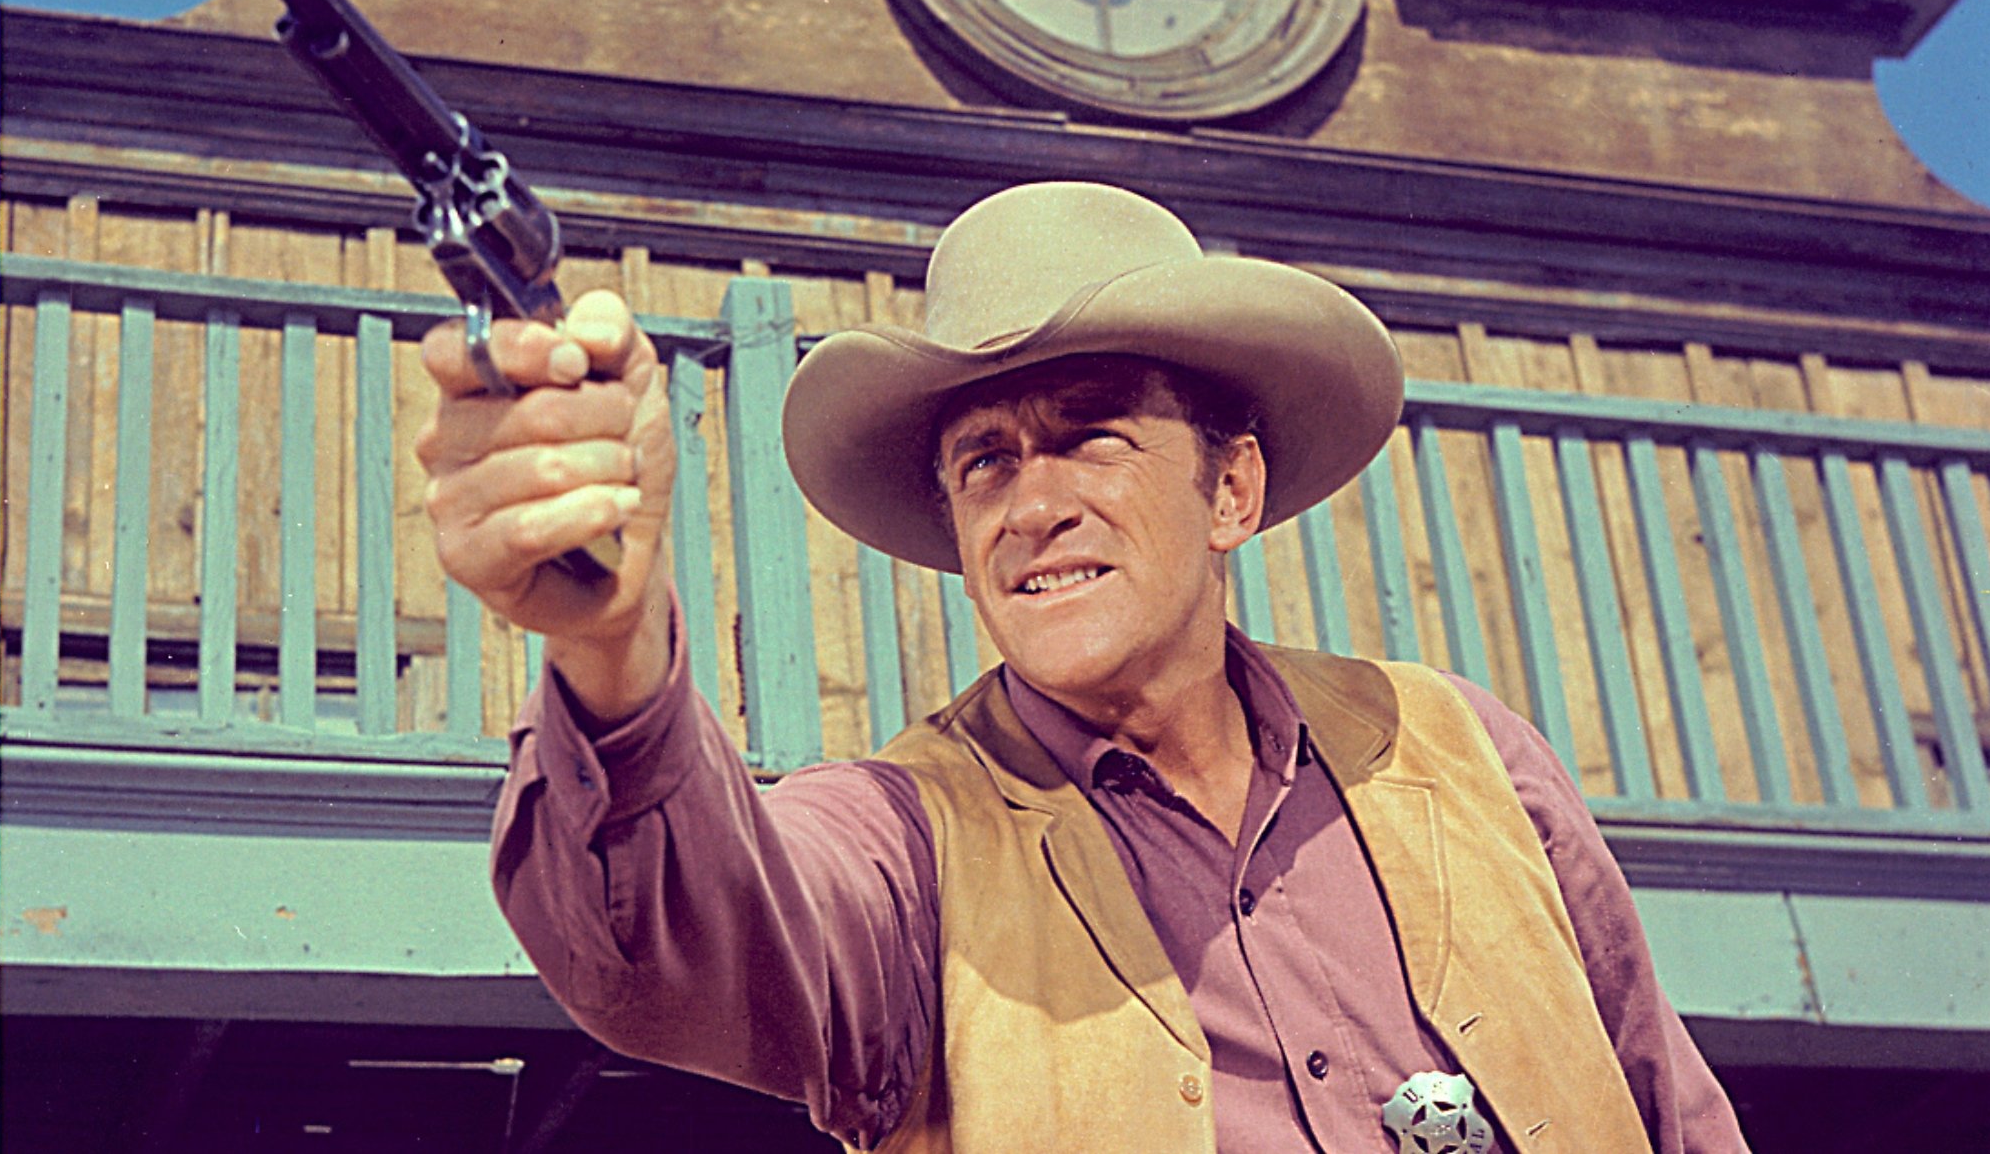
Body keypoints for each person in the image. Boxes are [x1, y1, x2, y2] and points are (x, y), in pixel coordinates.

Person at [417, 182, 1748, 1152]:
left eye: (1091, 436)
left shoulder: (1458, 743)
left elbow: (1673, 1106)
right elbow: (675, 947)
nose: (1028, 501)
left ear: (1230, 487)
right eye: (984, 460)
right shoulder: (907, 836)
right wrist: (607, 641)